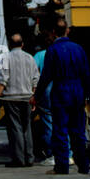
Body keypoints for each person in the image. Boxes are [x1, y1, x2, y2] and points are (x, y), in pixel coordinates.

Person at [34, 20, 90, 175]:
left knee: (60, 130)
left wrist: (36, 96)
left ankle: (62, 167)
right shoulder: (79, 49)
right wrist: (88, 97)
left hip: (61, 90)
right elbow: (86, 75)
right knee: (78, 131)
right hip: (77, 91)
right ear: (67, 31)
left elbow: (46, 76)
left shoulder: (53, 50)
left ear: (53, 32)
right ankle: (84, 166)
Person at [0, 34, 39, 166]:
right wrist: (33, 97)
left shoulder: (6, 58)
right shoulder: (30, 58)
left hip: (11, 98)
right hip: (27, 98)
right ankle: (29, 158)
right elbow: (36, 80)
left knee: (15, 128)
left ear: (9, 45)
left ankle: (18, 159)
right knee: (27, 128)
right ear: (22, 44)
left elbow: (2, 80)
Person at [32, 31, 53, 162]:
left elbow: (33, 74)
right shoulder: (63, 52)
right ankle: (68, 154)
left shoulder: (40, 55)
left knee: (48, 124)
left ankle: (51, 154)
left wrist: (34, 94)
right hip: (63, 91)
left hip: (46, 93)